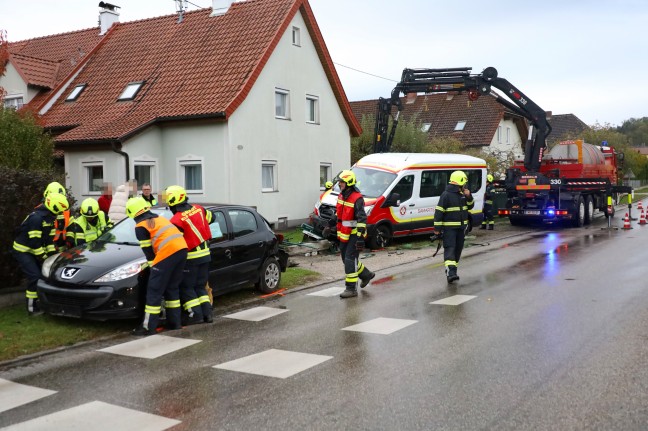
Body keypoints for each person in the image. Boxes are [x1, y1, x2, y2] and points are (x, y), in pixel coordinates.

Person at [126, 197, 188, 336]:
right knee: (172, 288)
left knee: (154, 291)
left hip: (167, 254)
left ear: (132, 212)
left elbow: (148, 252)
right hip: (182, 250)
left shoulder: (141, 226)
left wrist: (153, 268)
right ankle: (174, 323)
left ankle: (148, 327)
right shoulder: (159, 219)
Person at [13, 192, 69, 315]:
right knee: (35, 277)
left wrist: (53, 256)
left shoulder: (49, 218)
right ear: (53, 207)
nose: (60, 214)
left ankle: (41, 303)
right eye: (59, 211)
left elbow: (49, 241)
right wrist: (44, 257)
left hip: (33, 251)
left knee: (44, 275)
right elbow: (34, 242)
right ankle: (32, 309)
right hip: (23, 251)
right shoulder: (36, 218)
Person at [166, 185, 215, 324]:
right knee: (200, 286)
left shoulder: (176, 220)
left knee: (187, 287)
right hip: (206, 255)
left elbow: (177, 243)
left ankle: (195, 315)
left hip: (191, 259)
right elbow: (213, 217)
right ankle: (208, 314)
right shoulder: (199, 209)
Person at [324, 170, 375, 298]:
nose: (339, 184)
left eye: (342, 182)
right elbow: (338, 213)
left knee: (349, 259)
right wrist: (330, 225)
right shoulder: (342, 195)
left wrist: (359, 238)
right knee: (345, 259)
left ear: (348, 183)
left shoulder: (357, 198)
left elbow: (362, 219)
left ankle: (351, 289)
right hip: (344, 233)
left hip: (354, 234)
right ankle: (366, 274)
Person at [433, 170, 474, 283]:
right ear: (460, 182)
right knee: (450, 249)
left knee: (457, 250)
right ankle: (451, 273)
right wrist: (437, 230)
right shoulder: (446, 195)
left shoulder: (463, 195)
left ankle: (453, 271)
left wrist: (469, 196)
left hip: (461, 229)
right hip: (449, 229)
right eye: (463, 183)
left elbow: (470, 206)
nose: (464, 185)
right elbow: (439, 212)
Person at [42, 182, 71, 252]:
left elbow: (71, 225)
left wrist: (70, 240)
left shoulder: (65, 208)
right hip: (48, 249)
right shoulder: (42, 211)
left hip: (63, 248)